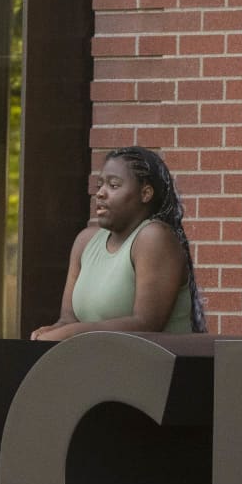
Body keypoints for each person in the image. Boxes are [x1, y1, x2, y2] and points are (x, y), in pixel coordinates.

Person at [30, 146, 206, 340]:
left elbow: (146, 324)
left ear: (145, 193)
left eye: (113, 186)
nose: (101, 194)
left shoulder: (154, 237)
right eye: (100, 186)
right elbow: (68, 319)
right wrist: (52, 331)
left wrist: (71, 333)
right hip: (101, 362)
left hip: (156, 366)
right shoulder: (85, 240)